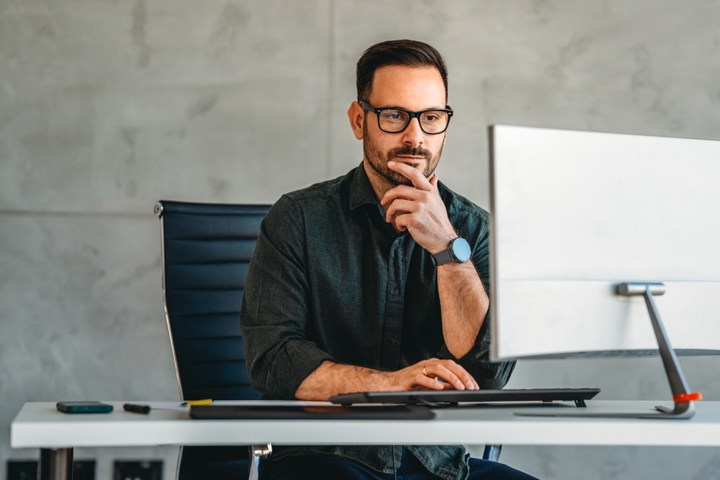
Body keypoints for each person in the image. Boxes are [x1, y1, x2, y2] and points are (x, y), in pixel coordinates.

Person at [240, 39, 537, 480]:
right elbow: (274, 359)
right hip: (323, 455)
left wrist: (447, 248)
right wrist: (390, 384)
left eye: (431, 118)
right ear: (359, 120)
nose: (415, 136)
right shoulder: (297, 219)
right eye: (395, 115)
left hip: (433, 464)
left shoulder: (474, 230)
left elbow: (487, 377)